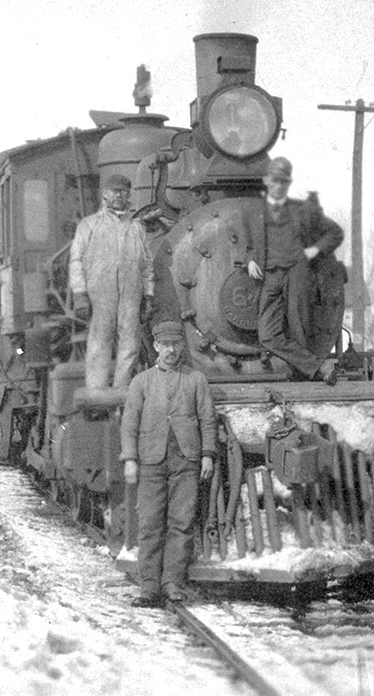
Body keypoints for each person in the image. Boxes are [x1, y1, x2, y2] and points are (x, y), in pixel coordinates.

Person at [120, 321, 216, 607]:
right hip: (151, 460)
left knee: (181, 523)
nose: (171, 350)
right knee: (149, 524)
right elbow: (129, 423)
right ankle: (148, 586)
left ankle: (172, 581)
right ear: (157, 347)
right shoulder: (142, 382)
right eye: (165, 345)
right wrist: (130, 459)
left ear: (182, 346)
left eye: (176, 344)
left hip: (186, 460)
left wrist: (207, 454)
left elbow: (207, 419)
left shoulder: (196, 380)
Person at [240, 156, 344, 383]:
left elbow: (335, 232)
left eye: (284, 182)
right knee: (267, 335)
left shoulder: (302, 211)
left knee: (299, 327)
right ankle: (319, 367)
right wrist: (250, 261)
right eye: (275, 181)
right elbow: (249, 246)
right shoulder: (253, 212)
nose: (279, 186)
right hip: (269, 275)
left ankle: (303, 376)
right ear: (266, 180)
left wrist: (316, 249)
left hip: (297, 272)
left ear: (288, 184)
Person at [69, 173, 153, 389]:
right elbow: (76, 261)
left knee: (130, 344)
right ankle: (96, 395)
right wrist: (80, 294)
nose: (118, 195)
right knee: (99, 343)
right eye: (114, 191)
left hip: (131, 294)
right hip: (101, 295)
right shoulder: (89, 226)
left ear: (128, 195)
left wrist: (149, 295)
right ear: (105, 194)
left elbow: (146, 265)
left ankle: (121, 393)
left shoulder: (136, 228)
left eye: (123, 191)